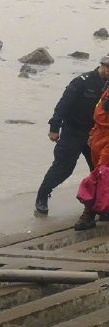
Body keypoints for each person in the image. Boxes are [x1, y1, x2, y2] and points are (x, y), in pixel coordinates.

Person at [35, 55, 109, 215]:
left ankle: (99, 205)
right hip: (73, 131)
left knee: (100, 170)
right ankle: (42, 196)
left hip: (95, 134)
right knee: (63, 168)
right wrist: (54, 127)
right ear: (103, 65)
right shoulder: (82, 81)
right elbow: (63, 104)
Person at [73, 84, 109, 230]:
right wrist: (93, 133)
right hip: (99, 138)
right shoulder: (106, 91)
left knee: (100, 175)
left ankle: (89, 213)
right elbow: (99, 116)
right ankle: (102, 209)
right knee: (100, 173)